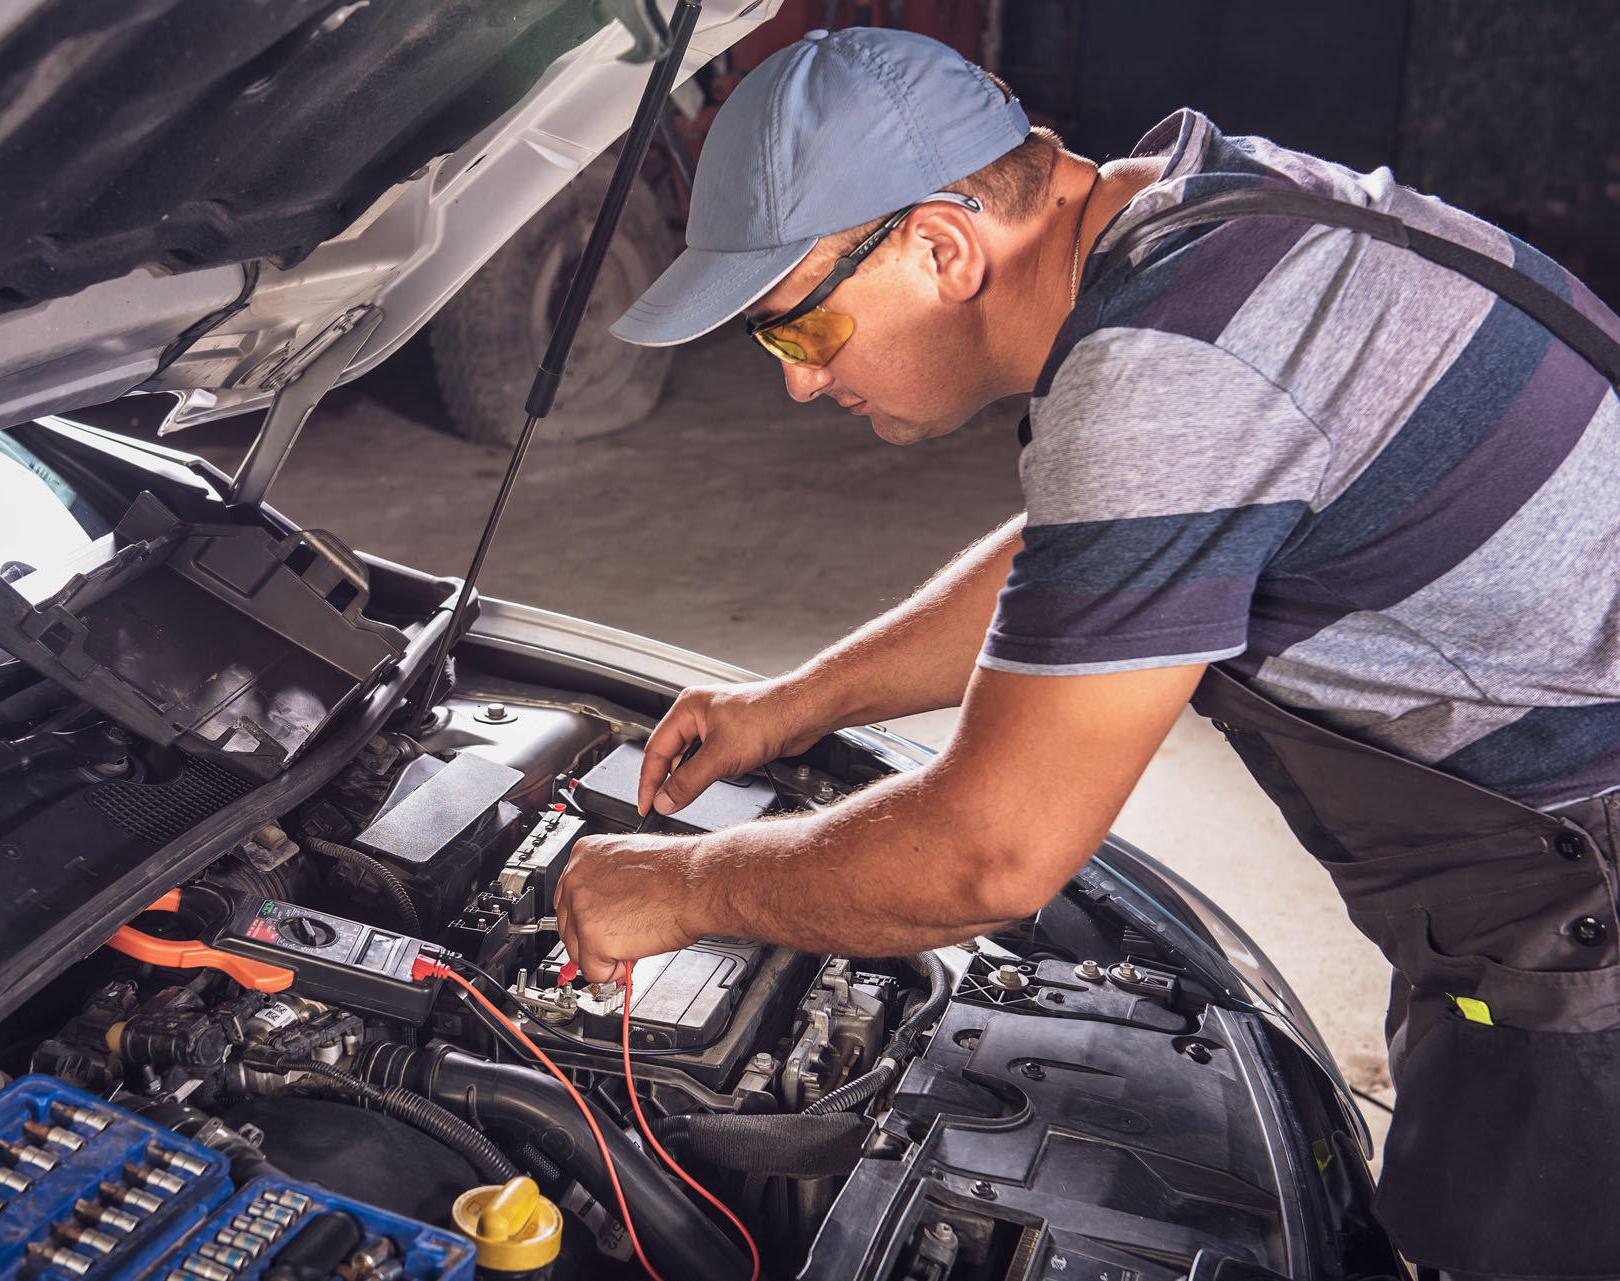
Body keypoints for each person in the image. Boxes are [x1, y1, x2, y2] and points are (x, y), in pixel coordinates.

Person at [549, 25, 1620, 1279]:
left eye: (798, 332)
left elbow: (996, 852)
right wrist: (795, 703)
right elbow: (1097, 554)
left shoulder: (1164, 373)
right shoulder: (1209, 210)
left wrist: (683, 889)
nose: (796, 384)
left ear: (944, 246)